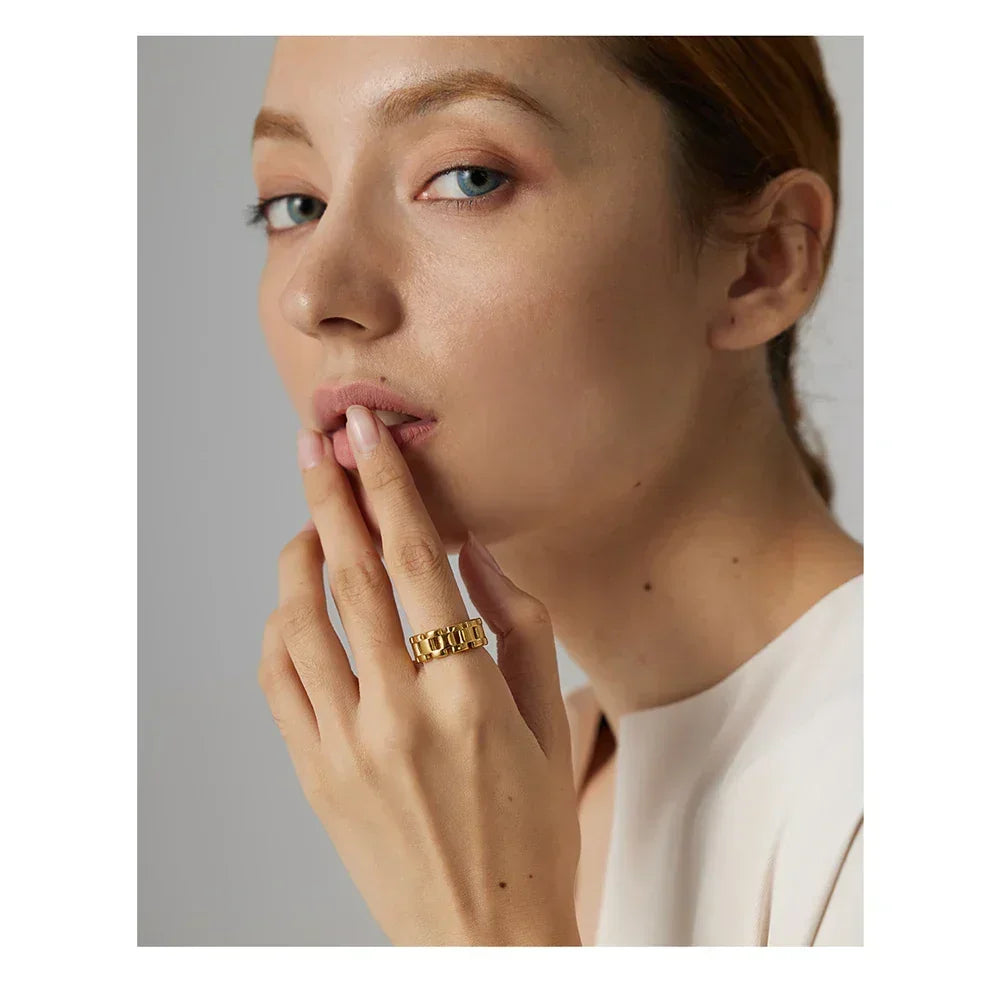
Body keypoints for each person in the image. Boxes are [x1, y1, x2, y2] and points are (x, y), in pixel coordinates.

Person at [250, 35, 862, 946]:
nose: (317, 293)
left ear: (763, 262)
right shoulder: (503, 785)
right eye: (295, 202)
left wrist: (490, 937)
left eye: (466, 178)